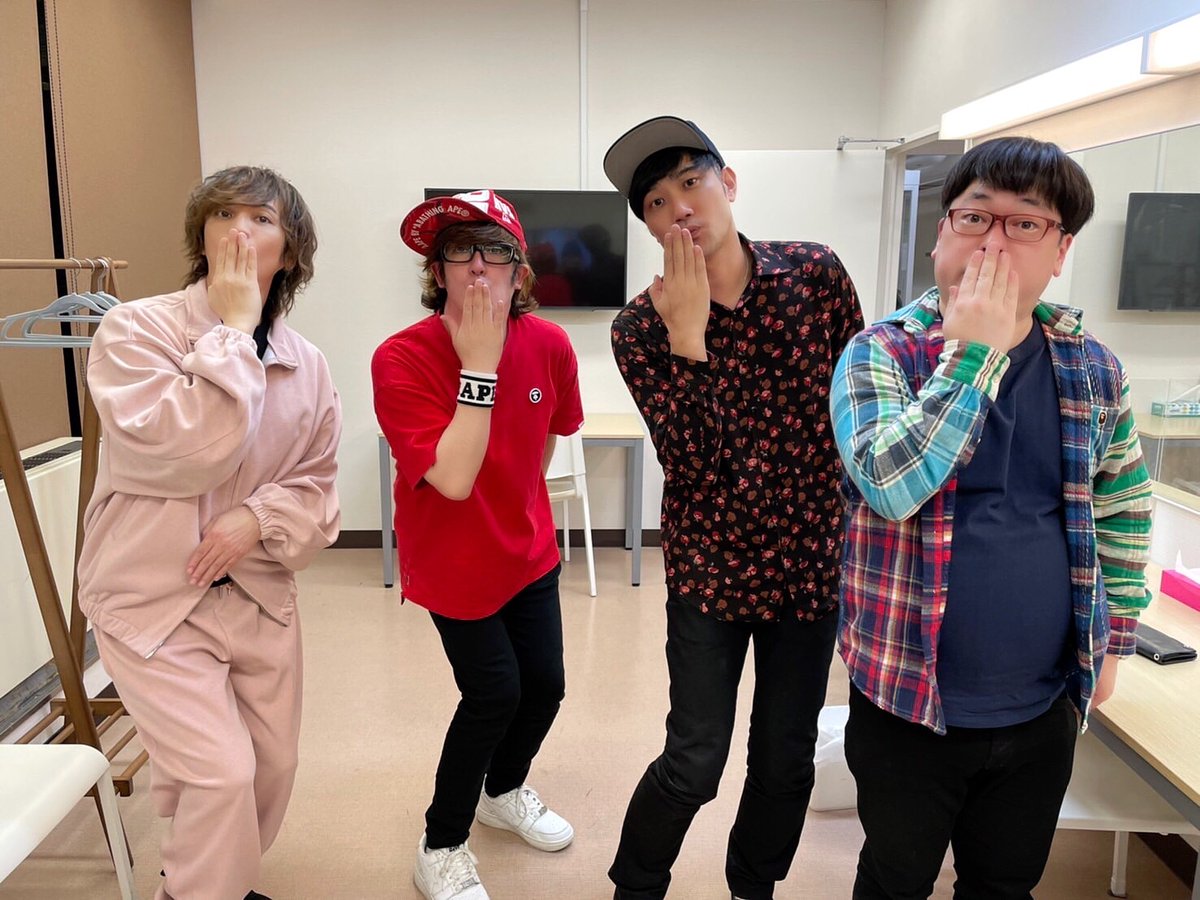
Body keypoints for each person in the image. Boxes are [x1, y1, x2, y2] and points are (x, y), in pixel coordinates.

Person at [831, 136, 1154, 899]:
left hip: (1042, 704)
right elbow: (890, 485)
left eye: (1026, 224)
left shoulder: (1093, 369)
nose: (994, 242)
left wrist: (1115, 642)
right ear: (942, 233)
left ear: (1062, 249)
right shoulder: (879, 354)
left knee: (1005, 884)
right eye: (975, 218)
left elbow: (1123, 508)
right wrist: (973, 356)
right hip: (907, 699)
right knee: (894, 879)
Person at [603, 116, 865, 900]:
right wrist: (688, 339)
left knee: (785, 762)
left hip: (807, 567)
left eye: (691, 181)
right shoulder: (639, 328)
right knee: (694, 760)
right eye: (656, 201)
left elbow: (858, 409)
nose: (678, 207)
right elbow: (690, 465)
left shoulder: (815, 275)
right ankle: (637, 885)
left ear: (729, 183)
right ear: (649, 226)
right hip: (710, 571)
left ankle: (754, 887)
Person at [77, 165, 342, 900]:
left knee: (272, 767)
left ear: (290, 251)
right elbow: (188, 451)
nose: (238, 231)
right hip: (152, 596)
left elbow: (319, 488)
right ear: (201, 235)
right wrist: (230, 332)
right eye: (223, 215)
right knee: (219, 775)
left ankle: (213, 876)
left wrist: (257, 518)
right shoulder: (135, 330)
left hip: (256, 595)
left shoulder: (307, 365)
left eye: (261, 219)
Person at [372, 189, 583, 900]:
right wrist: (480, 368)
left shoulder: (550, 344)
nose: (479, 267)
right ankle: (440, 844)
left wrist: (519, 506)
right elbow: (454, 481)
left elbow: (548, 440)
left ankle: (504, 790)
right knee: (494, 694)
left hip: (528, 551)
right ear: (437, 273)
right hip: (451, 561)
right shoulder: (400, 357)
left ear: (521, 274)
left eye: (497, 252)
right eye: (461, 251)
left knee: (545, 686)